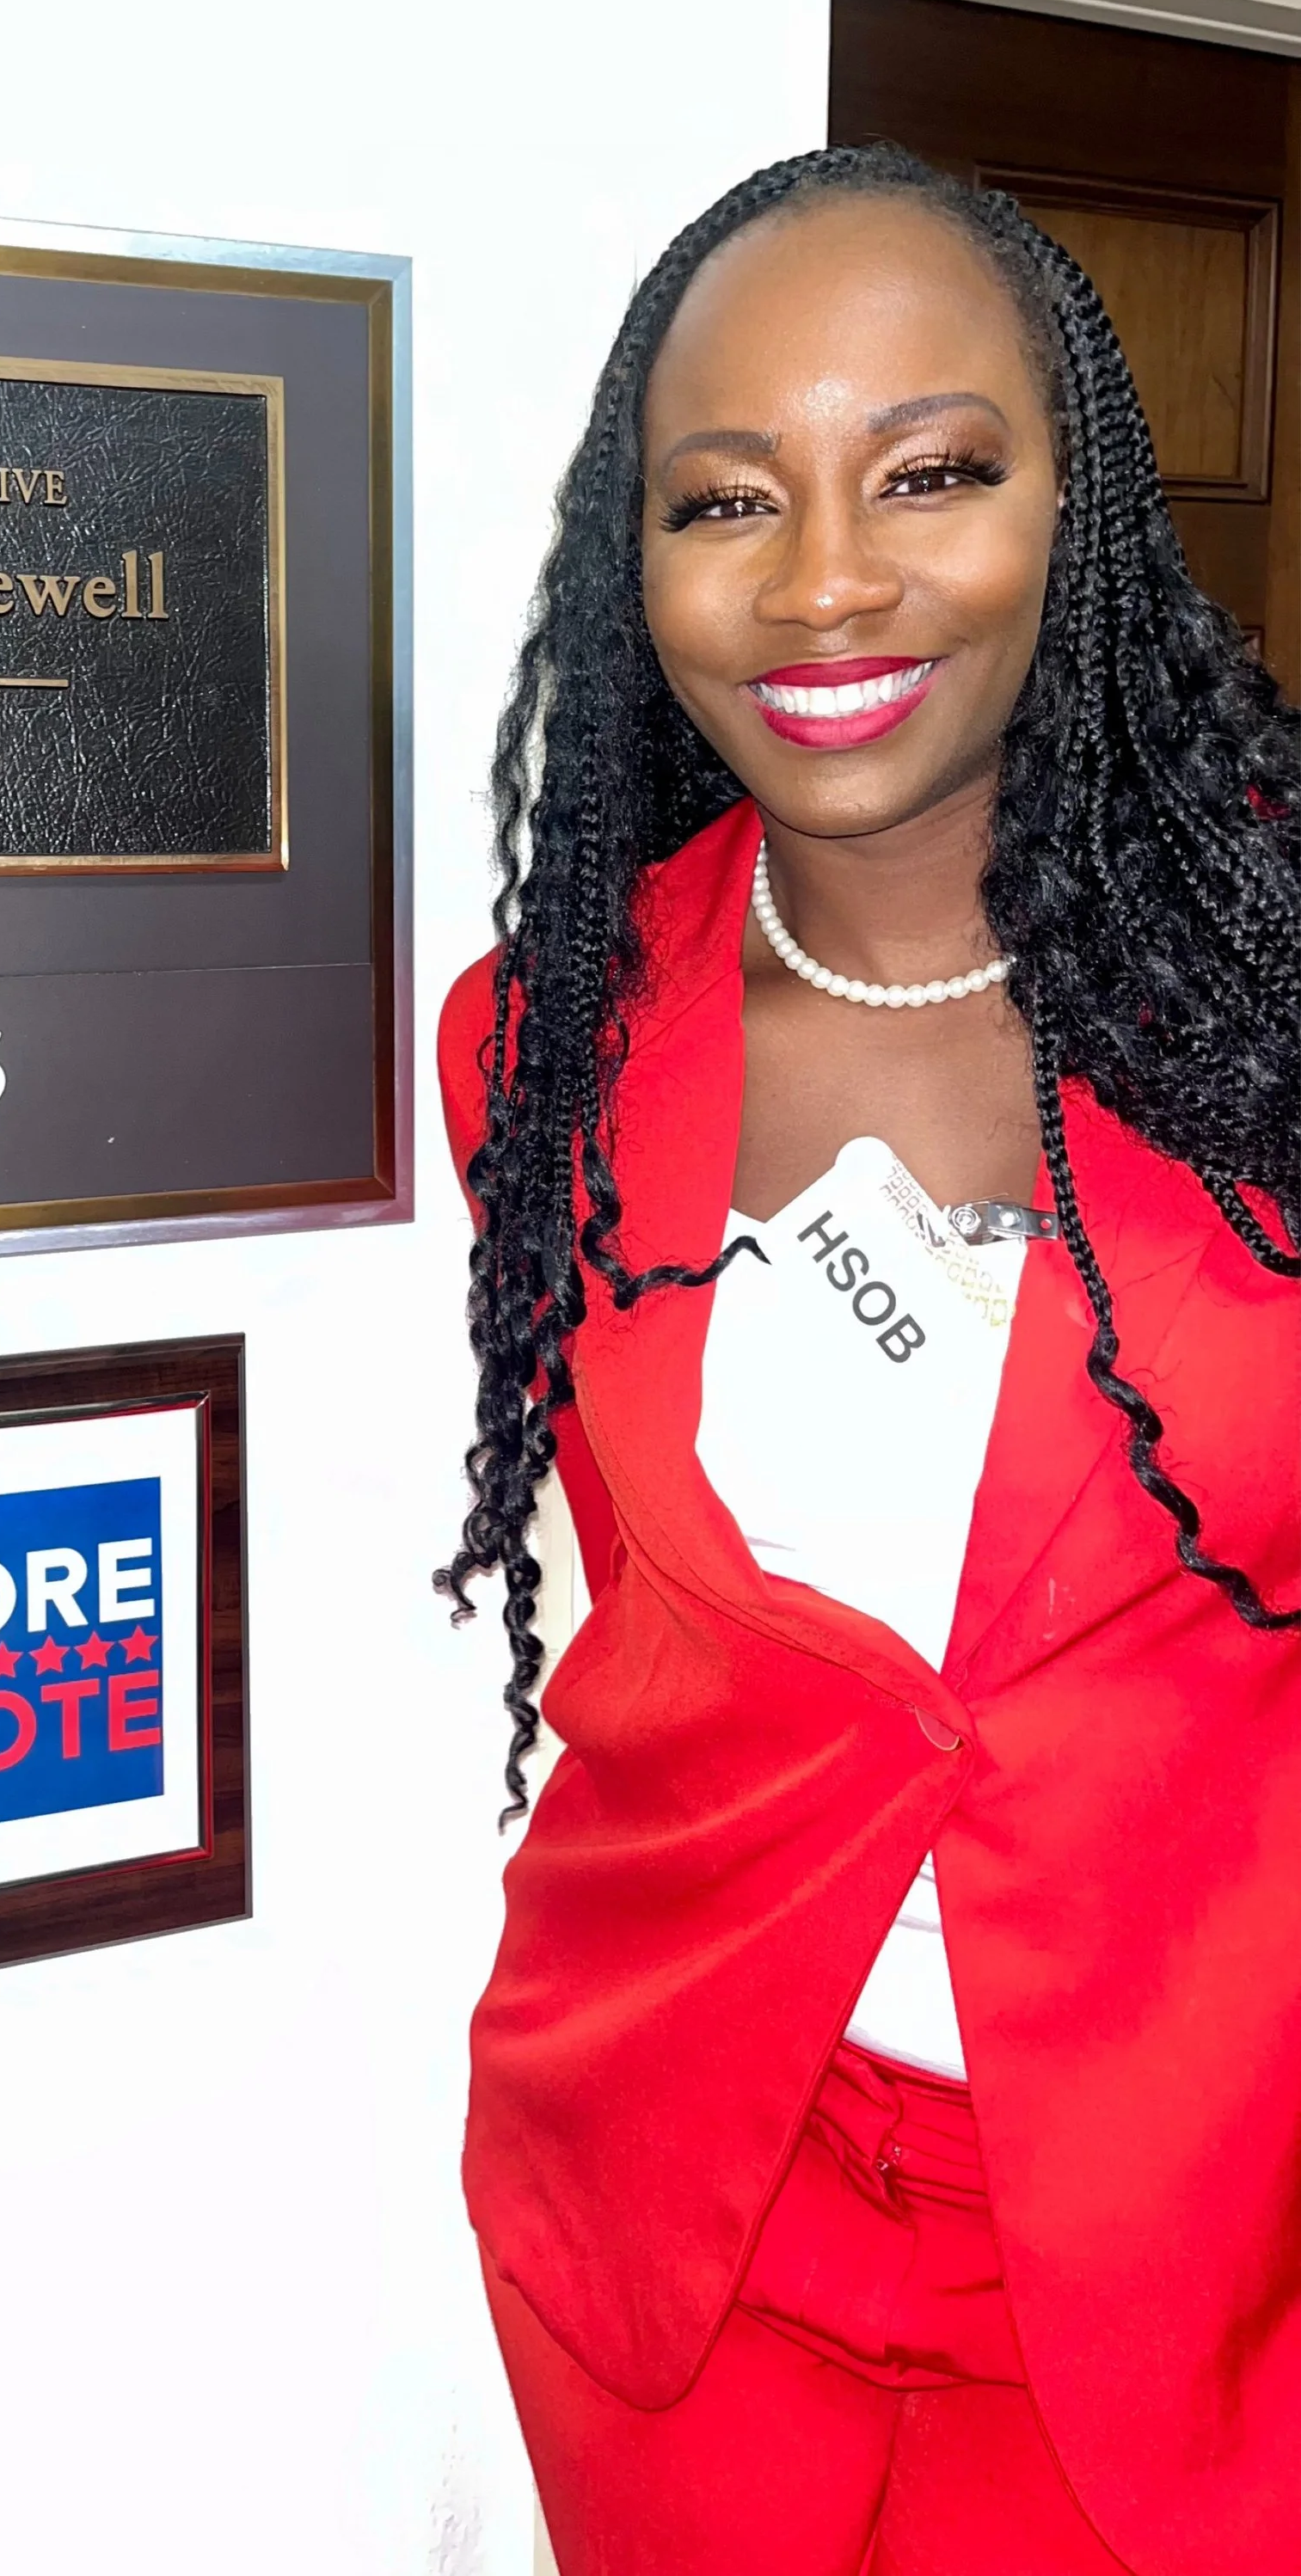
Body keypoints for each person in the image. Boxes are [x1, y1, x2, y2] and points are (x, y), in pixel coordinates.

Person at [436, 143, 1301, 2576]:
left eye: (929, 471)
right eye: (727, 498)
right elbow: (661, 1621)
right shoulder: (540, 1041)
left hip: (1199, 2259)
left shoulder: (1278, 1007)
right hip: (691, 2223)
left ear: (1077, 504)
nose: (821, 579)